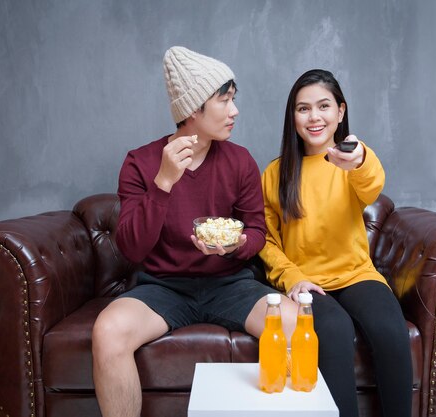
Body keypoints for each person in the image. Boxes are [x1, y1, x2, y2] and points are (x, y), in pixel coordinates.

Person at [91, 46, 298, 417]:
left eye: (234, 99)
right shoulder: (141, 163)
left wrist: (234, 246)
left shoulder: (240, 160)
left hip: (230, 284)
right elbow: (132, 248)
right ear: (192, 109)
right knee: (108, 331)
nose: (234, 111)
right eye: (224, 101)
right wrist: (164, 183)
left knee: (293, 323)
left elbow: (256, 232)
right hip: (162, 287)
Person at [259, 69, 413, 417]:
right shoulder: (274, 173)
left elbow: (372, 183)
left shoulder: (352, 161)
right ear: (293, 117)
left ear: (340, 112)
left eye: (324, 106)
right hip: (307, 283)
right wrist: (293, 278)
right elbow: (267, 242)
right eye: (303, 108)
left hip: (357, 275)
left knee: (391, 331)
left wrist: (358, 159)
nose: (314, 117)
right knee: (334, 332)